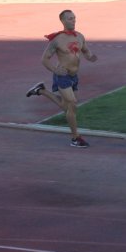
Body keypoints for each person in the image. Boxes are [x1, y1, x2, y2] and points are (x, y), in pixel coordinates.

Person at [26, 9, 98, 148]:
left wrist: (91, 57)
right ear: (63, 21)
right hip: (62, 76)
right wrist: (55, 69)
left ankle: (41, 91)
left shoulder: (80, 36)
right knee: (72, 104)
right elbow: (45, 59)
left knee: (67, 107)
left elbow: (85, 50)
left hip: (74, 76)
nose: (73, 20)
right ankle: (75, 138)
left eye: (74, 18)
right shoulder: (57, 40)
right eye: (70, 18)